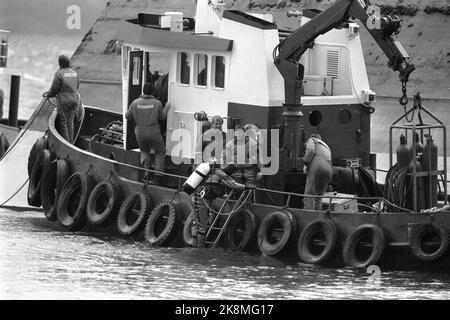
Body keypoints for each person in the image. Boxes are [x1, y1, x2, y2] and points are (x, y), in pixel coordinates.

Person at [125, 82, 170, 184]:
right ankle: (157, 178)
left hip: (139, 132)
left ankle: (147, 173)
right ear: (153, 91)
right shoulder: (157, 103)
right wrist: (167, 107)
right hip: (153, 131)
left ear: (143, 90)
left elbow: (127, 116)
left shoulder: (135, 103)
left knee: (145, 151)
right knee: (160, 152)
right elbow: (162, 117)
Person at [44, 55, 80, 143]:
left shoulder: (59, 73)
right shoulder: (74, 73)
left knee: (63, 123)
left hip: (64, 102)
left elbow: (54, 89)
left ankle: (67, 145)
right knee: (70, 123)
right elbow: (77, 86)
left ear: (60, 63)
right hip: (75, 101)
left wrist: (48, 94)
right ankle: (71, 144)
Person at [225, 124, 261, 193]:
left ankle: (247, 203)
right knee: (236, 192)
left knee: (249, 192)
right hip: (235, 173)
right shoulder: (230, 144)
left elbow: (259, 158)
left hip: (249, 173)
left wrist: (261, 171)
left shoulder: (253, 144)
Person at [303, 133, 332, 210]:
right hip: (329, 167)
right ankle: (317, 218)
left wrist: (306, 163)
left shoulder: (312, 140)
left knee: (309, 193)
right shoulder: (326, 146)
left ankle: (308, 217)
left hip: (317, 164)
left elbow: (310, 150)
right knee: (319, 196)